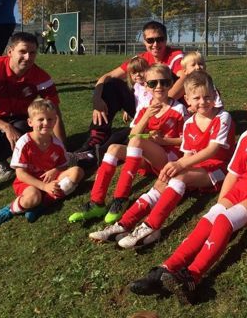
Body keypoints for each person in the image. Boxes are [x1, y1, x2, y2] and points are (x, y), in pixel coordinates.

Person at [128, 78, 247, 304]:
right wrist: (220, 202)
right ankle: (164, 270)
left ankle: (193, 276)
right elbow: (233, 173)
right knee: (209, 219)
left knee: (223, 221)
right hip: (239, 190)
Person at [89, 71, 235, 249]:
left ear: (215, 95)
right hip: (195, 167)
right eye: (197, 98)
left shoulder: (223, 117)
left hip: (219, 170)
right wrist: (175, 167)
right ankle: (123, 224)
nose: (203, 102)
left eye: (207, 97)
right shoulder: (190, 123)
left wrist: (179, 165)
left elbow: (213, 151)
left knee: (179, 177)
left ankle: (151, 226)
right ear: (188, 99)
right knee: (161, 181)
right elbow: (188, 154)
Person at [68, 64, 187, 224]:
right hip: (146, 157)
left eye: (164, 82)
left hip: (167, 159)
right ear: (146, 86)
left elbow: (186, 140)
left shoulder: (179, 109)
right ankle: (97, 202)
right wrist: (147, 116)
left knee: (137, 141)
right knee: (113, 148)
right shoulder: (145, 107)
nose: (159, 87)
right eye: (153, 83)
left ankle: (121, 198)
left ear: (171, 84)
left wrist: (164, 141)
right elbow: (132, 134)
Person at [0, 32, 65, 206]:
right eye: (22, 51)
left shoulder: (42, 77)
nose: (28, 57)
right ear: (10, 51)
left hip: (19, 119)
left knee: (28, 129)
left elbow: (55, 115)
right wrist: (5, 127)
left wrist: (63, 151)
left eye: (32, 53)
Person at [76, 21, 185, 154]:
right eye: (150, 40)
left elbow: (185, 79)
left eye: (160, 39)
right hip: (144, 107)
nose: (155, 44)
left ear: (166, 39)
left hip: (166, 108)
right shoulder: (141, 59)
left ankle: (98, 154)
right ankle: (98, 135)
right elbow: (108, 76)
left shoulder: (175, 56)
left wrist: (160, 105)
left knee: (165, 76)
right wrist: (97, 99)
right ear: (144, 41)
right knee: (113, 84)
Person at [0, 100, 84, 226]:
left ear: (55, 121)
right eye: (41, 119)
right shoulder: (24, 143)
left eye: (50, 119)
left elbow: (64, 165)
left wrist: (55, 170)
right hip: (28, 182)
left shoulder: (57, 144)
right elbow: (21, 174)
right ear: (30, 122)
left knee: (77, 172)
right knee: (33, 197)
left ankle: (44, 204)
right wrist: (44, 187)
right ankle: (11, 209)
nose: (46, 123)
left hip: (50, 179)